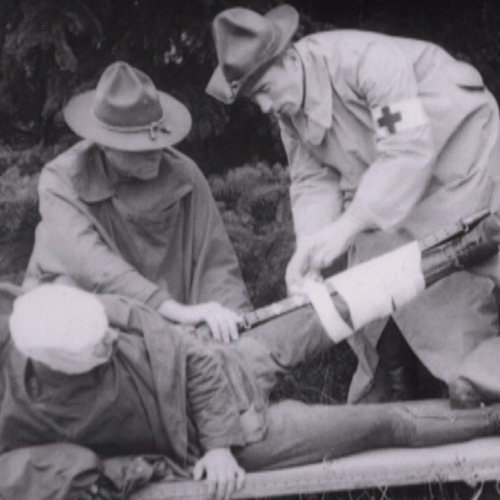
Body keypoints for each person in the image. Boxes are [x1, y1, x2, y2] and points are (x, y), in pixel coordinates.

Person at [1, 219, 500, 500]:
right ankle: (492, 418)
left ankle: (467, 244)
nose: (111, 337)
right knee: (384, 426)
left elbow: (191, 355)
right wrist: (210, 452)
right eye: (99, 347)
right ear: (60, 364)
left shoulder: (88, 314)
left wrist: (214, 441)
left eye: (106, 328)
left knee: (335, 306)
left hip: (226, 366)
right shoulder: (24, 421)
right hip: (243, 440)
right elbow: (74, 475)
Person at [205, 5, 500, 403]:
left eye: (265, 90)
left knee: (463, 254)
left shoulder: (368, 62)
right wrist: (310, 247)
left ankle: (477, 380)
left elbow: (407, 147)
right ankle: (396, 381)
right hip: (393, 172)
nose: (264, 107)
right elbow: (312, 180)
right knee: (368, 253)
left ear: (288, 60)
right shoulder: (289, 108)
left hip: (460, 153)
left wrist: (348, 224)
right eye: (253, 97)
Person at [22, 61, 251, 343]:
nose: (156, 152)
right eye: (140, 146)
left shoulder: (185, 177)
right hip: (81, 325)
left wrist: (235, 323)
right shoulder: (60, 182)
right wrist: (177, 312)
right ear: (105, 145)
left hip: (173, 331)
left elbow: (216, 265)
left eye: (159, 140)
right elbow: (95, 268)